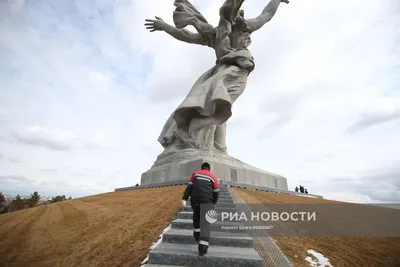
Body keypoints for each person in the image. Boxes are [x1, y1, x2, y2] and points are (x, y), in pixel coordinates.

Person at [182, 162, 219, 256]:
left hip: (195, 200)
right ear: (209, 169)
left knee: (196, 216)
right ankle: (202, 248)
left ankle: (197, 234)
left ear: (202, 168)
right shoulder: (213, 177)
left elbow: (189, 187)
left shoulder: (195, 174)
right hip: (207, 200)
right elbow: (216, 193)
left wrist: (184, 198)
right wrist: (214, 203)